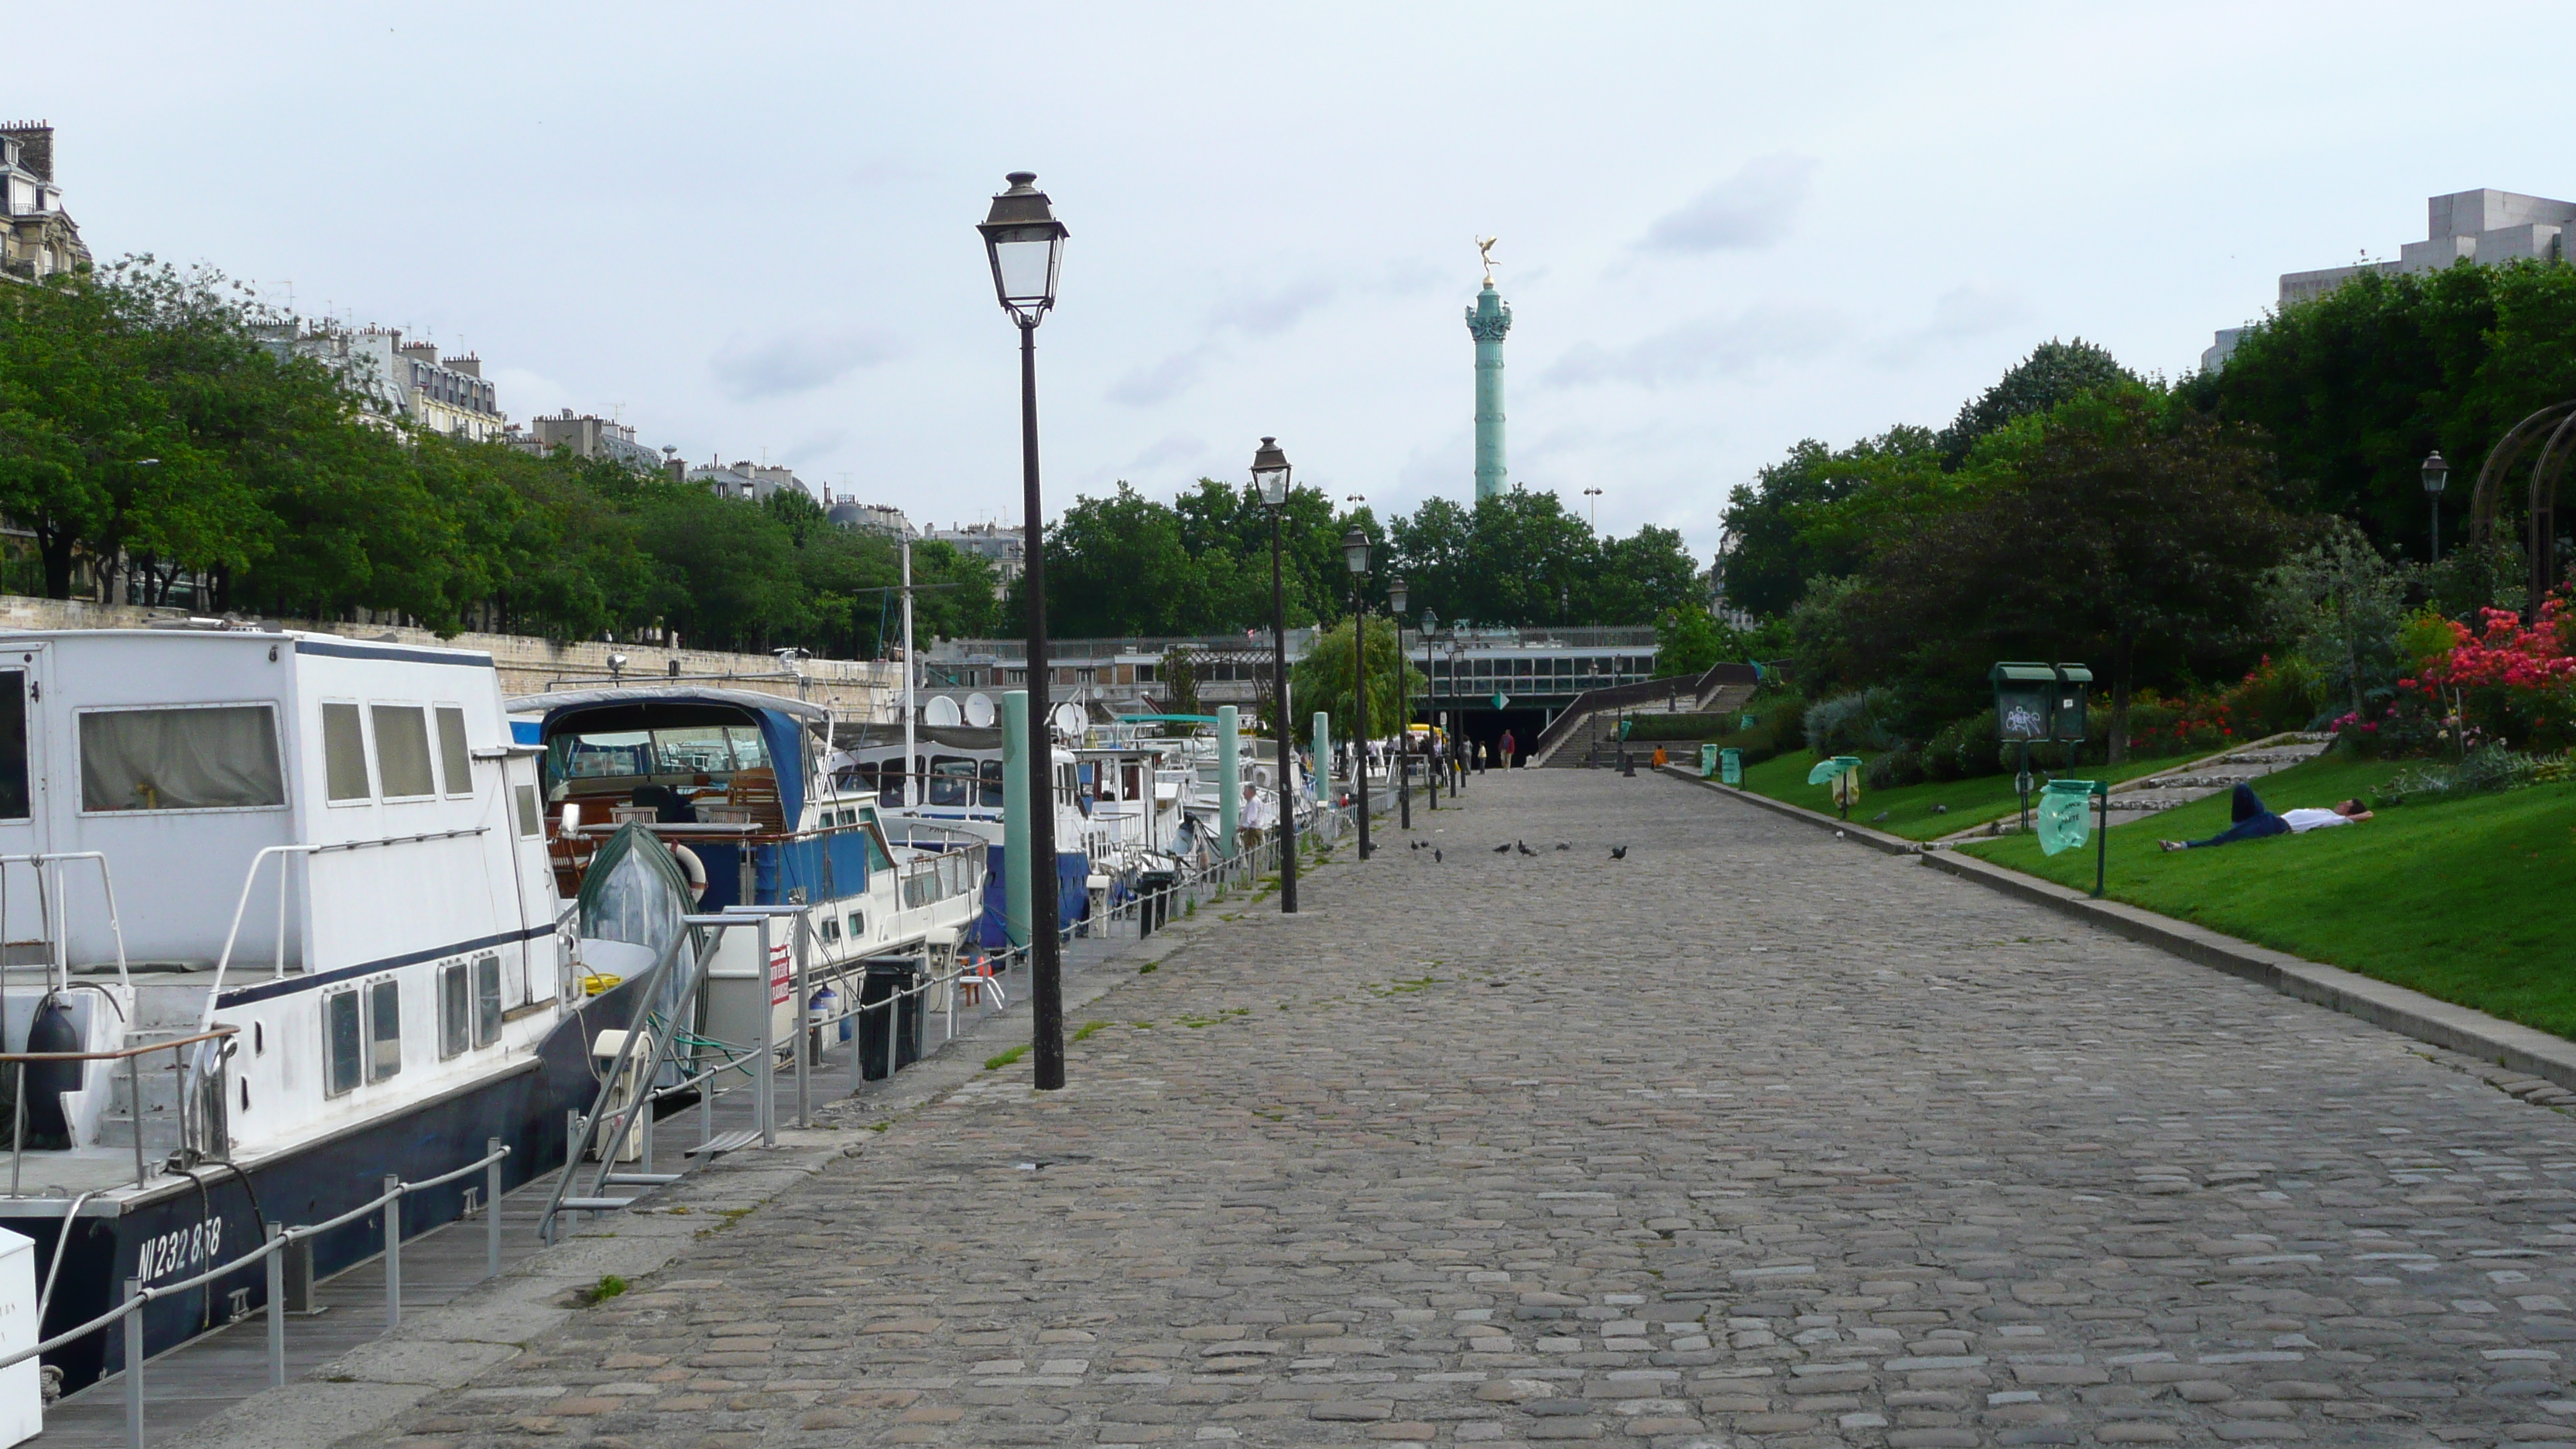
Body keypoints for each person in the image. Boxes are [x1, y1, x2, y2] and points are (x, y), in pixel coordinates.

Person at [2160, 783, 2371, 851]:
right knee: (2242, 789)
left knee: (2223, 840)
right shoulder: (2326, 812)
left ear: (2349, 813)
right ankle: (2242, 825)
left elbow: (2366, 815)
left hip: (2277, 826)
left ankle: (2181, 846)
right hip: (2268, 817)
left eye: (2346, 805)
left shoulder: (2337, 820)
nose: (2341, 804)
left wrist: (2363, 813)